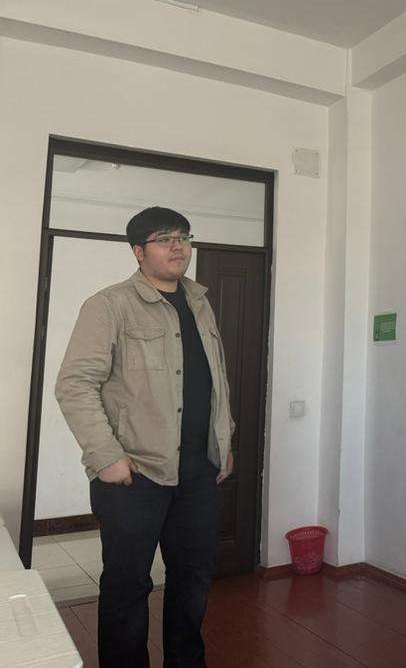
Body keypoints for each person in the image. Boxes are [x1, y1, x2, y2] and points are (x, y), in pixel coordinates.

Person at [55, 207, 235, 668]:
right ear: (138, 252)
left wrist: (224, 441)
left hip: (198, 472)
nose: (178, 247)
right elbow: (74, 384)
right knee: (127, 585)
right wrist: (106, 456)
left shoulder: (200, 302)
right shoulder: (109, 305)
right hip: (135, 473)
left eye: (184, 237)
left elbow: (215, 380)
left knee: (193, 580)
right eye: (164, 239)